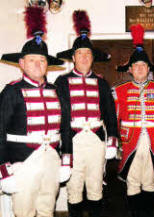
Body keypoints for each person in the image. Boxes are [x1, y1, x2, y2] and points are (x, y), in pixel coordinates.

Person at [0, 6, 71, 217]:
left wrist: (66, 159)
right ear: (21, 63)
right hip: (23, 162)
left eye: (42, 60)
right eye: (32, 60)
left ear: (48, 64)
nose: (38, 64)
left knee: (47, 209)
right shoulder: (11, 91)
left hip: (52, 160)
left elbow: (65, 128)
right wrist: (3, 171)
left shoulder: (56, 91)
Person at [54, 10, 118, 217]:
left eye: (88, 54)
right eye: (80, 54)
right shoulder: (61, 82)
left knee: (96, 187)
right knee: (74, 189)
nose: (84, 57)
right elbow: (59, 116)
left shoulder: (101, 82)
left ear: (93, 58)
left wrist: (113, 140)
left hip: (96, 140)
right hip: (73, 140)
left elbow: (110, 113)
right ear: (73, 57)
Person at [113, 24, 154, 217]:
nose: (140, 69)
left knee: (149, 181)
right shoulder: (119, 91)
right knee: (132, 181)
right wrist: (115, 144)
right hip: (129, 141)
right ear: (130, 69)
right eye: (136, 66)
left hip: (153, 141)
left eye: (143, 66)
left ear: (148, 69)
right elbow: (114, 119)